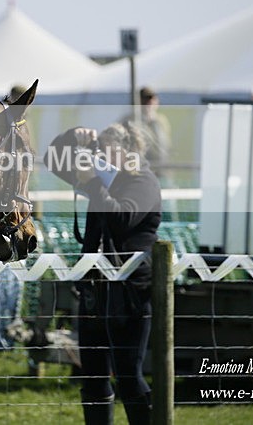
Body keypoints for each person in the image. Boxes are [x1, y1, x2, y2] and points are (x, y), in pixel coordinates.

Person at [44, 122, 162, 425]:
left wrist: (94, 183)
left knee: (128, 375)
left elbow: (121, 218)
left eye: (105, 150)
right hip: (95, 291)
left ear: (127, 151)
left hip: (129, 293)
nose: (99, 156)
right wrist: (73, 136)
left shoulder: (143, 180)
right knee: (94, 376)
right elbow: (52, 160)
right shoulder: (105, 176)